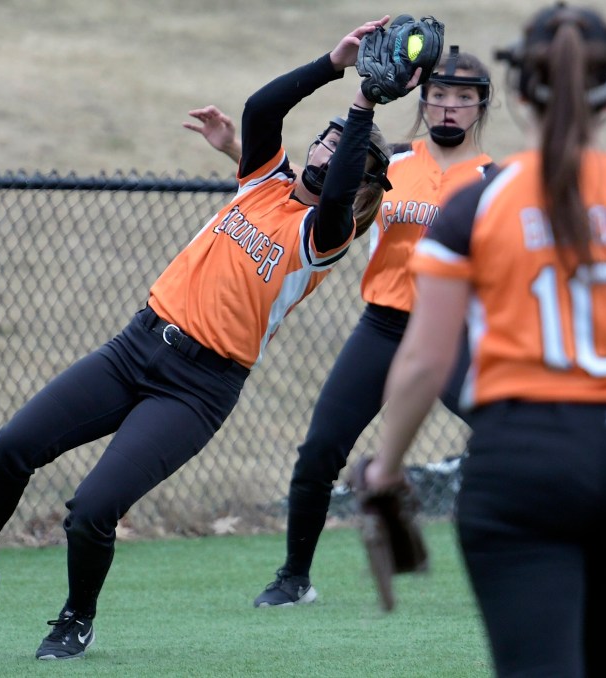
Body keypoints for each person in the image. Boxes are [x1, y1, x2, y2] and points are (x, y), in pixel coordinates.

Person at [0, 16, 414, 660]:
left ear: (362, 183)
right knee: (9, 449)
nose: (333, 148)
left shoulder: (324, 236)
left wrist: (363, 104)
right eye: (329, 138)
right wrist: (334, 64)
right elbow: (262, 108)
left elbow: (337, 195)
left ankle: (75, 619)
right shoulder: (263, 182)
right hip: (134, 348)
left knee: (91, 508)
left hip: (198, 389)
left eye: (351, 154)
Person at [358, 4, 606, 675]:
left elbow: (425, 357)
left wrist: (386, 472)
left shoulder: (477, 204)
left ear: (512, 93)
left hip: (521, 463)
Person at [244, 46, 496, 606]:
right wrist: (234, 152)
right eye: (438, 96)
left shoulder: (497, 183)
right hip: (383, 328)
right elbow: (320, 199)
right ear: (423, 101)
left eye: (463, 98)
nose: (449, 107)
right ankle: (293, 579)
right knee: (320, 451)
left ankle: (553, 559)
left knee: (521, 438)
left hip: (453, 334)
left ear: (481, 106)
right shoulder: (393, 165)